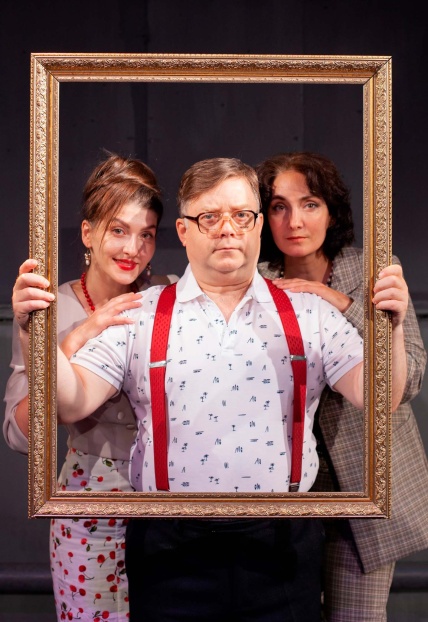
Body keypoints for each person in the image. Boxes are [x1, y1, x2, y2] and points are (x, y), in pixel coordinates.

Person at [13, 157, 408, 622]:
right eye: (209, 217)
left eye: (241, 215)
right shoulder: (138, 313)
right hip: (170, 550)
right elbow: (69, 402)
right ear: (183, 231)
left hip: (281, 548)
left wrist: (392, 329)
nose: (227, 229)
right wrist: (32, 332)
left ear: (257, 225)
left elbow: (380, 398)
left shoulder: (310, 313)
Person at [5, 152, 179, 621]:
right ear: (87, 232)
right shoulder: (50, 306)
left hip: (169, 504)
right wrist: (75, 336)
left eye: (146, 234)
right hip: (88, 507)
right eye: (118, 230)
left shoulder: (171, 295)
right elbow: (21, 435)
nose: (133, 248)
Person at [256, 151, 428, 622]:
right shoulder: (256, 280)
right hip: (287, 496)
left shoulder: (374, 269)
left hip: (365, 487)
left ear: (331, 212)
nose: (294, 221)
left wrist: (336, 301)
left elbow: (411, 375)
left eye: (310, 204)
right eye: (279, 206)